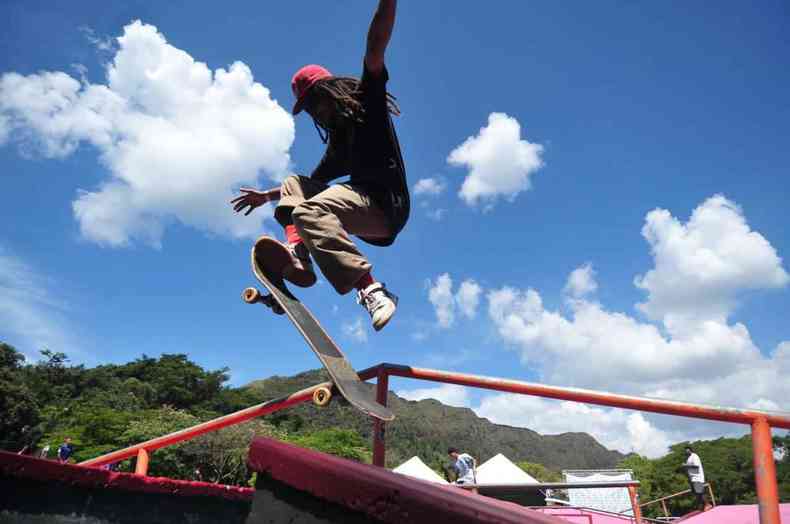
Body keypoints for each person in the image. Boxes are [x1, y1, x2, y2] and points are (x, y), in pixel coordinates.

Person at [231, 0, 409, 332]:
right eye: (309, 110)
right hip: (358, 205)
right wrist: (264, 197)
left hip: (386, 207)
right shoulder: (339, 144)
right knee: (293, 185)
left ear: (328, 91)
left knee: (308, 212)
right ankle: (299, 256)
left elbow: (375, 46)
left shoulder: (366, 105)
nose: (315, 114)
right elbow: (305, 186)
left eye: (315, 104)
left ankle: (372, 289)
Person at [680, 446, 706, 511]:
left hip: (697, 477)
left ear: (691, 450)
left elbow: (696, 466)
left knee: (700, 492)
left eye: (687, 450)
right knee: (696, 493)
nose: (686, 452)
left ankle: (706, 505)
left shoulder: (694, 456)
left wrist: (686, 465)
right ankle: (701, 507)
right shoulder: (689, 458)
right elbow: (689, 467)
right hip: (693, 478)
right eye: (685, 451)